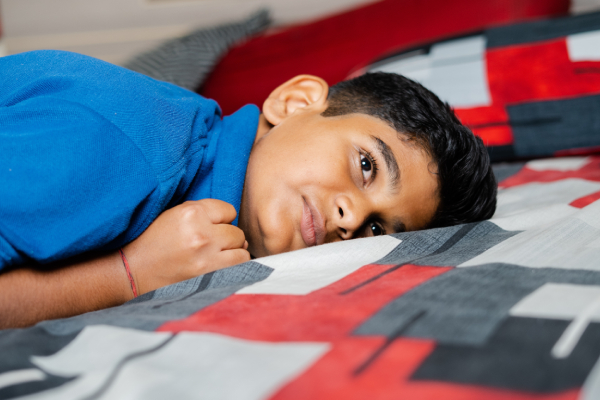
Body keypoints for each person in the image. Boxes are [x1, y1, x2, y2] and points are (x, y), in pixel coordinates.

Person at [0, 50, 496, 328]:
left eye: (376, 228)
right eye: (366, 165)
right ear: (295, 101)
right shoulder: (121, 150)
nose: (350, 218)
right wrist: (126, 276)